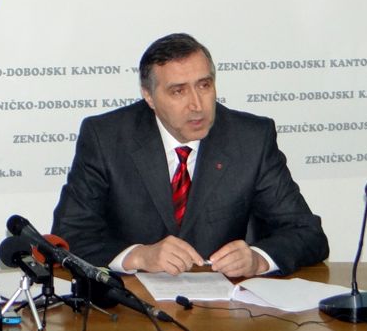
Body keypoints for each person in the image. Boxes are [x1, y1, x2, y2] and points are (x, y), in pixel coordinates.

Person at [52, 33, 328, 278]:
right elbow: (68, 236)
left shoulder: (251, 138)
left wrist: (258, 259)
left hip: (226, 308)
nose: (197, 105)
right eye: (178, 91)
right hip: (134, 305)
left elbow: (307, 234)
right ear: (149, 96)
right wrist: (139, 256)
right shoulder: (106, 138)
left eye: (204, 85)